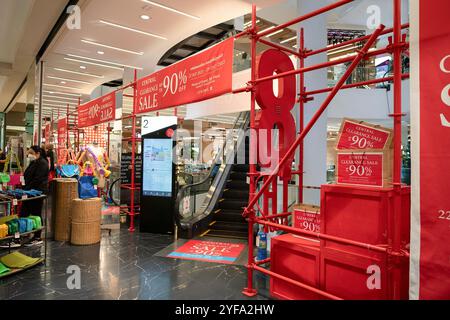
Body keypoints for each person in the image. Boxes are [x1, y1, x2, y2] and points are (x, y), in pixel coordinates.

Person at [21, 146, 49, 247]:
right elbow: (27, 174)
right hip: (28, 192)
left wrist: (27, 189)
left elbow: (38, 179)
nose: (29, 155)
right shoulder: (34, 162)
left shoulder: (43, 163)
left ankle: (37, 237)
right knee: (24, 213)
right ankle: (22, 233)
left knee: (36, 214)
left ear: (38, 153)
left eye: (31, 153)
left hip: (37, 193)